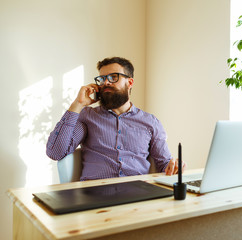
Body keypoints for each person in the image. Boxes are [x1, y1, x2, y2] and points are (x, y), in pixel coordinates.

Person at [46, 57, 185, 180]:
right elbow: (55, 152)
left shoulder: (150, 122)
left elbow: (164, 164)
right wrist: (77, 105)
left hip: (138, 193)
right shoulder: (88, 116)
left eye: (113, 77)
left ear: (130, 82)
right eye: (102, 79)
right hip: (95, 195)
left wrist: (174, 166)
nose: (106, 83)